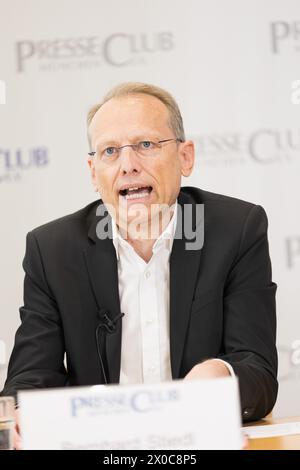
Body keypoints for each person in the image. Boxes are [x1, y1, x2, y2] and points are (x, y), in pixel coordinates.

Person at [1, 82, 277, 442]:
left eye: (146, 145)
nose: (128, 165)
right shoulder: (53, 251)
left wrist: (220, 376)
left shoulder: (236, 230)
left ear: (185, 157)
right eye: (110, 151)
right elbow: (28, 381)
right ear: (92, 172)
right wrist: (22, 415)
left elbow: (258, 374)